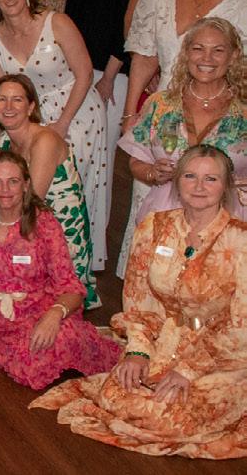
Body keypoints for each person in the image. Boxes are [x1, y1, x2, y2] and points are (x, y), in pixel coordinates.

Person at [32, 145, 247, 459]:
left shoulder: (241, 240)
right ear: (177, 180)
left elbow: (242, 325)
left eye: (210, 179)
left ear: (225, 185)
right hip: (164, 340)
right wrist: (138, 351)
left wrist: (187, 370)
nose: (199, 187)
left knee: (170, 417)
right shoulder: (154, 227)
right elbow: (137, 300)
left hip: (222, 355)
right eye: (190, 176)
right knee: (115, 395)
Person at [0, 151, 120, 389]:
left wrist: (54, 315)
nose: (4, 189)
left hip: (41, 310)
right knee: (35, 361)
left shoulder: (44, 222)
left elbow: (70, 286)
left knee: (67, 339)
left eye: (13, 181)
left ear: (26, 184)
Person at [0, 0, 110, 272]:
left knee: (69, 187)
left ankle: (72, 262)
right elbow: (3, 89)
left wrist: (62, 124)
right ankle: (26, 258)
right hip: (24, 115)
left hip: (75, 111)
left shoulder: (57, 23)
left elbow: (84, 74)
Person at [116, 17, 247, 274]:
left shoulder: (244, 110)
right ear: (186, 53)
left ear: (233, 57)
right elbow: (136, 161)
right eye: (198, 48)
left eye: (218, 50)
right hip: (166, 220)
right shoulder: (160, 104)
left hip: (229, 224)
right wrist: (152, 172)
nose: (206, 58)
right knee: (160, 287)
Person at [124, 0, 247, 129]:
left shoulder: (242, 7)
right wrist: (129, 114)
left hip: (219, 120)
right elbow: (143, 60)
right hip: (162, 114)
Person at [0, 74, 97, 307]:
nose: (8, 107)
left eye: (17, 100)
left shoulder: (45, 140)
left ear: (31, 107)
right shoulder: (0, 141)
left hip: (57, 228)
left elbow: (32, 199)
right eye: (1, 99)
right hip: (19, 219)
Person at [67, 0, 140, 151]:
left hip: (110, 75)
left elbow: (127, 31)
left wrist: (108, 78)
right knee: (74, 149)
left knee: (101, 150)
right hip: (79, 74)